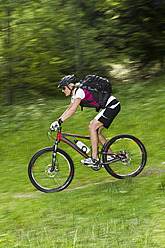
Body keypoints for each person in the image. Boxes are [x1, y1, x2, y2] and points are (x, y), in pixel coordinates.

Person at [50, 75, 120, 166]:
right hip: (108, 107)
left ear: (70, 86)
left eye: (64, 88)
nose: (62, 90)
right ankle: (111, 155)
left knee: (92, 127)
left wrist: (60, 122)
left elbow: (72, 110)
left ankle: (94, 158)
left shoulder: (79, 92)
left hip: (112, 106)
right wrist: (58, 121)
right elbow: (68, 109)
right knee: (96, 131)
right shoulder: (74, 95)